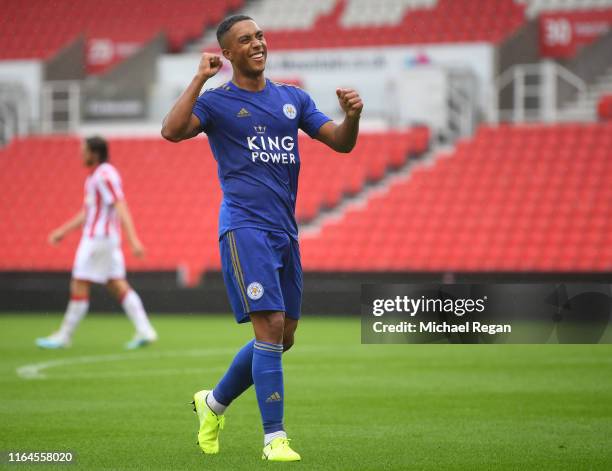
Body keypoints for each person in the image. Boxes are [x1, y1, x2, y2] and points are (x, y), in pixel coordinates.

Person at [161, 15, 362, 462]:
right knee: (269, 327)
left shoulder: (292, 98)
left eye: (260, 36)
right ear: (227, 53)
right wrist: (197, 79)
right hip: (244, 227)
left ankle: (211, 404)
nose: (257, 44)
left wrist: (352, 117)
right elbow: (171, 131)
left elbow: (340, 143)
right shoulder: (217, 103)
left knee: (284, 336)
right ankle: (275, 438)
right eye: (245, 40)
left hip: (285, 232)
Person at [36, 136, 158, 350]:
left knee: (80, 283)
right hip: (105, 239)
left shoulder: (104, 175)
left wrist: (133, 240)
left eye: (84, 150)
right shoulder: (95, 178)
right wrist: (62, 231)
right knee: (117, 284)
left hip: (98, 239)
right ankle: (145, 330)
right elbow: (88, 212)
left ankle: (64, 336)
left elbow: (120, 205)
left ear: (94, 153)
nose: (80, 154)